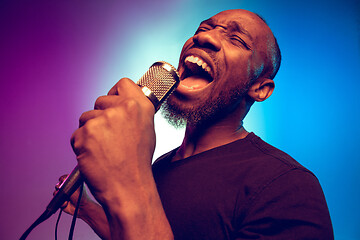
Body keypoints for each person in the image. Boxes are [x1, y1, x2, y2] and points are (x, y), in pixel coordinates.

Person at [55, 9, 334, 240]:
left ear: (260, 88)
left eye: (236, 39)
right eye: (204, 28)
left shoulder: (287, 185)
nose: (205, 37)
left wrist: (130, 180)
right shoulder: (159, 168)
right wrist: (87, 209)